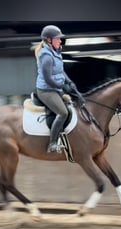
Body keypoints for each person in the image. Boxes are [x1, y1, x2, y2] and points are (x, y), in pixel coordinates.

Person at [34, 25, 85, 153]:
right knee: (63, 113)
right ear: (49, 40)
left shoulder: (55, 52)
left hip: (55, 88)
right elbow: (48, 79)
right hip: (46, 91)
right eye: (58, 38)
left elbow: (60, 71)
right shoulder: (46, 57)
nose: (60, 41)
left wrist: (69, 82)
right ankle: (52, 143)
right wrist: (62, 87)